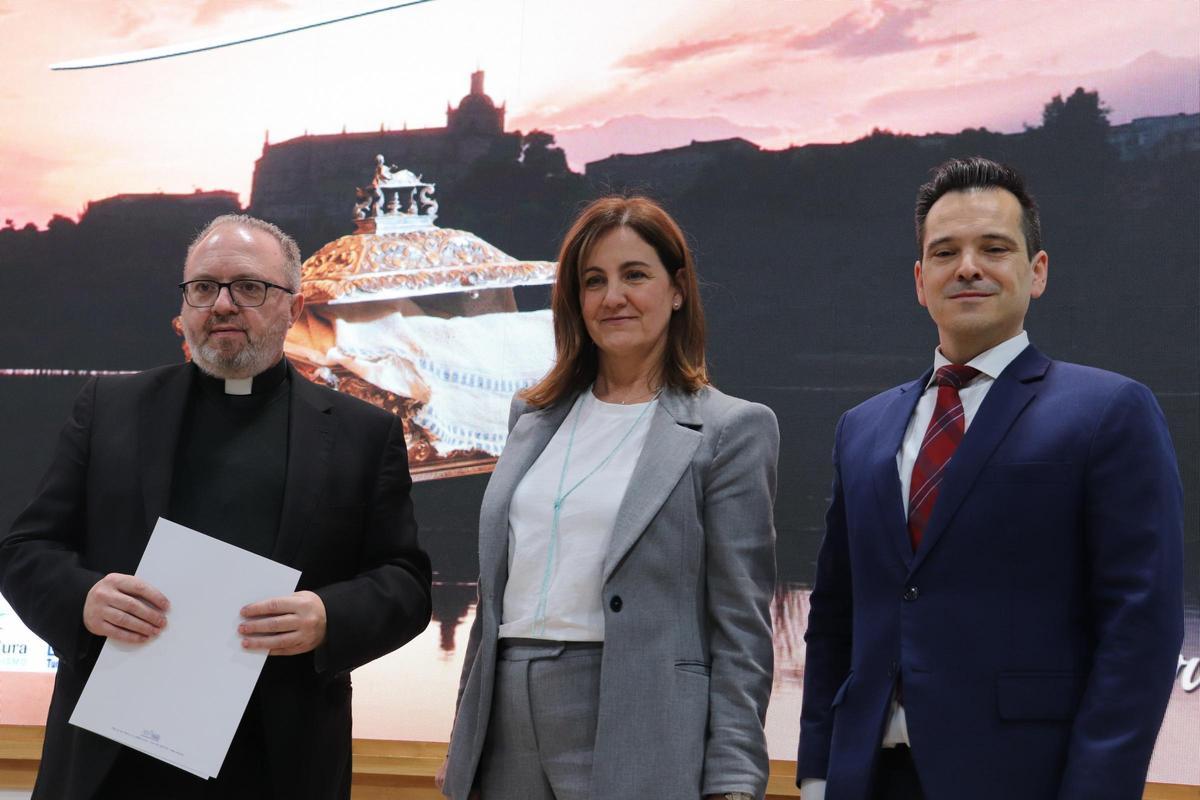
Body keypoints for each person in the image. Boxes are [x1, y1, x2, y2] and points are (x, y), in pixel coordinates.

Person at [0, 214, 433, 799]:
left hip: (278, 759)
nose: (222, 304)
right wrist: (83, 599)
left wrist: (329, 617)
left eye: (249, 287)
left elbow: (405, 582)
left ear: (294, 306)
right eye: (203, 287)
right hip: (114, 759)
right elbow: (26, 550)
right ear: (183, 308)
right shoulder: (110, 408)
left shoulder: (363, 433)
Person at [796, 157, 1184, 800]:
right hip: (865, 778)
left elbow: (1140, 631)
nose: (968, 266)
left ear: (1037, 272)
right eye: (945, 252)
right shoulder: (860, 428)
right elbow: (834, 617)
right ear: (921, 282)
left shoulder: (1109, 410)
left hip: (1026, 779)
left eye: (994, 247)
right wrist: (815, 771)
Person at [437, 196, 779, 800]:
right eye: (593, 281)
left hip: (638, 718)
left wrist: (733, 777)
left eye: (634, 275)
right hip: (504, 725)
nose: (612, 297)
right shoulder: (530, 419)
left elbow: (741, 632)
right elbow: (497, 598)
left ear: (677, 290)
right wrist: (466, 735)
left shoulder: (732, 430)